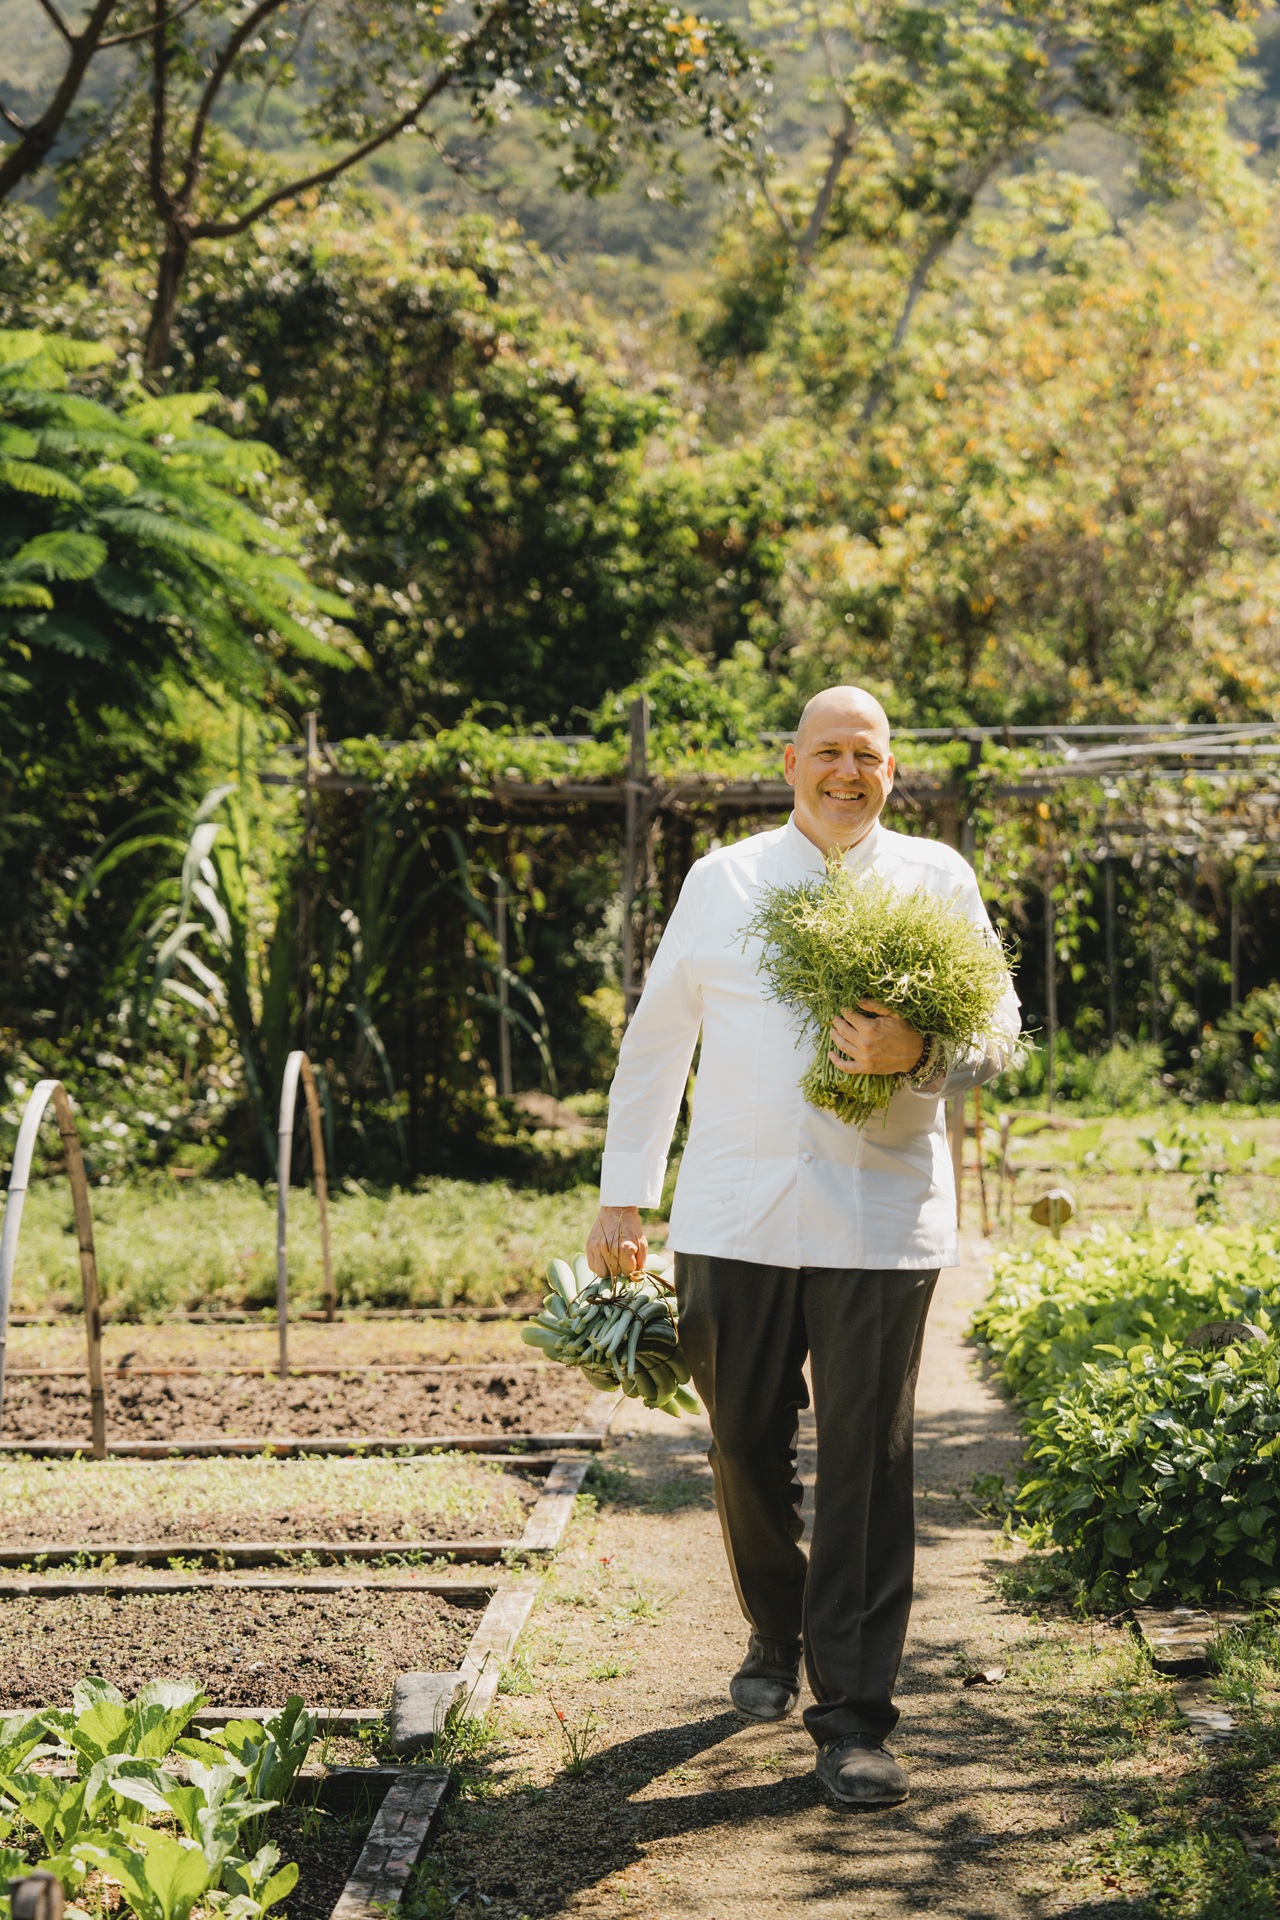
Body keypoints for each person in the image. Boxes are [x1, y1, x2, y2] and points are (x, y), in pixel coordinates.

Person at [584, 685, 1021, 1810]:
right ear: (790, 763)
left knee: (867, 1463)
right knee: (739, 1445)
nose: (846, 773)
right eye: (828, 751)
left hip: (881, 1218)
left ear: (891, 771)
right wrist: (624, 1196)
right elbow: (658, 1041)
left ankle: (854, 1717)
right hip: (733, 1214)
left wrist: (920, 1047)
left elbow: (999, 1031)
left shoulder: (936, 878)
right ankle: (775, 1624)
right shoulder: (722, 880)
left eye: (866, 755)